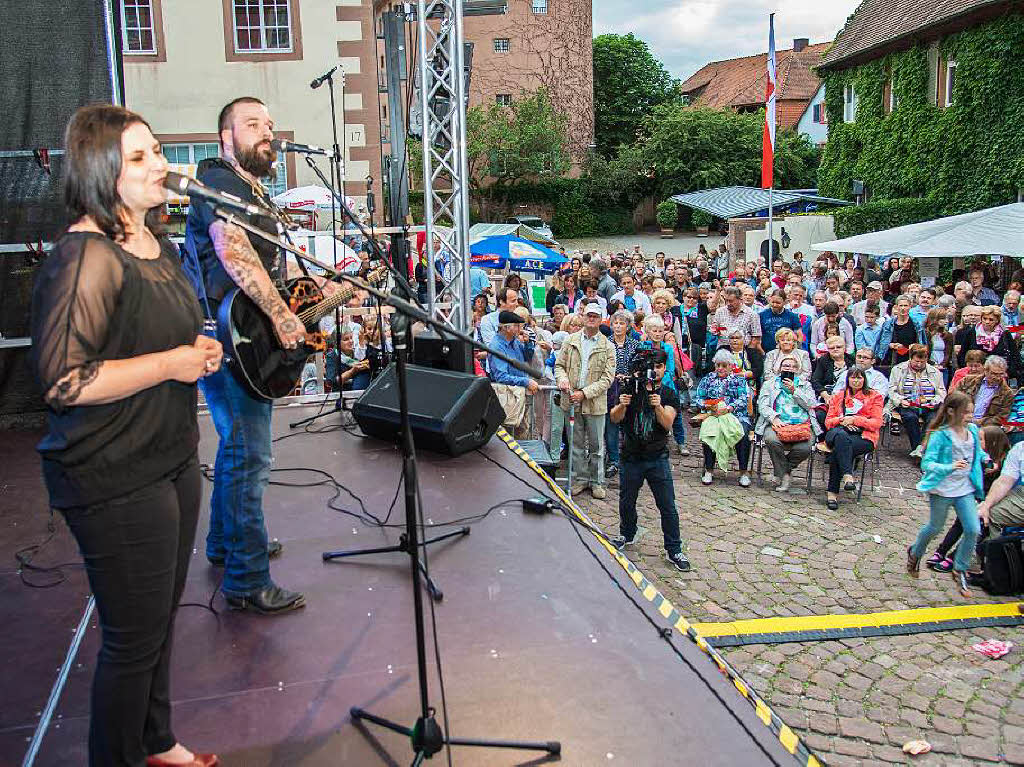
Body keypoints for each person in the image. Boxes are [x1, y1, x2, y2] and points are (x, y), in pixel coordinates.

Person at [31, 105, 221, 766]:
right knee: (131, 637)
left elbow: (157, 333)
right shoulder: (85, 255)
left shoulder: (158, 245)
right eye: (137, 158)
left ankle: (156, 738)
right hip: (111, 471)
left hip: (167, 455)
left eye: (156, 150)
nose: (159, 165)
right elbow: (63, 381)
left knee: (157, 621)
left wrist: (195, 349)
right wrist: (171, 364)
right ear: (100, 171)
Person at [184, 97, 308, 614]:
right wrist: (283, 317)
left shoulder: (248, 188)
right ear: (225, 138)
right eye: (252, 124)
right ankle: (247, 578)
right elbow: (231, 248)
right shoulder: (221, 178)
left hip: (230, 335)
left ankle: (226, 544)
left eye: (270, 125)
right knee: (250, 455)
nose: (267, 133)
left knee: (237, 448)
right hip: (232, 340)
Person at [608, 349, 691, 571]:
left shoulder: (668, 393)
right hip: (631, 456)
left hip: (657, 457)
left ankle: (674, 549)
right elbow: (615, 419)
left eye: (658, 367)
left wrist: (657, 406)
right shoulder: (629, 388)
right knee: (627, 501)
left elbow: (667, 424)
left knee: (667, 506)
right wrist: (622, 404)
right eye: (650, 367)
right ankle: (627, 534)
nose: (653, 371)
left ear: (664, 369)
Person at [906, 391, 985, 597]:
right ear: (951, 412)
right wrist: (949, 466)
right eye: (966, 412)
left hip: (965, 487)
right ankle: (915, 552)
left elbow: (976, 452)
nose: (970, 416)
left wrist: (986, 459)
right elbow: (927, 463)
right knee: (935, 527)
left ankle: (960, 568)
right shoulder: (940, 435)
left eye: (971, 412)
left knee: (973, 528)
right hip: (942, 488)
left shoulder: (973, 431)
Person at [925, 425, 1009, 573]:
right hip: (973, 499)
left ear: (992, 443)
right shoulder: (979, 459)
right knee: (958, 524)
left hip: (988, 506)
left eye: (981, 439)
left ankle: (954, 557)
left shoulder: (1003, 467)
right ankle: (941, 551)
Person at [555, 304, 615, 499]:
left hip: (595, 403)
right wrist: (562, 379)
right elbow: (559, 366)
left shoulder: (608, 346)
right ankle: (580, 479)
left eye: (595, 316)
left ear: (600, 320)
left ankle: (597, 482)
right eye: (588, 315)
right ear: (583, 317)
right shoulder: (570, 340)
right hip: (570, 400)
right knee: (576, 443)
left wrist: (585, 393)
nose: (591, 319)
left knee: (597, 445)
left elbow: (607, 379)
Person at [823, 366, 884, 510]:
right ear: (848, 379)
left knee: (839, 448)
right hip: (838, 430)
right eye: (853, 377)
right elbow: (828, 422)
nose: (856, 381)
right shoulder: (839, 395)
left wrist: (855, 420)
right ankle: (847, 475)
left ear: (864, 379)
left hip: (863, 436)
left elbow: (876, 423)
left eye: (859, 377)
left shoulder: (875, 396)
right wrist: (842, 419)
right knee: (841, 437)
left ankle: (832, 493)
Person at [756, 356, 820, 491]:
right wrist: (774, 418)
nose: (789, 368)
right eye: (786, 366)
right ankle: (785, 476)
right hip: (777, 422)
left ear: (797, 370)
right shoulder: (769, 384)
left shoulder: (805, 385)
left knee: (805, 448)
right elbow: (762, 405)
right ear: (779, 368)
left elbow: (811, 405)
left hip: (801, 424)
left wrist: (795, 391)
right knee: (771, 440)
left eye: (792, 366)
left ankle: (782, 472)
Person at [695, 349, 752, 487]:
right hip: (713, 415)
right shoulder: (708, 378)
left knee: (742, 435)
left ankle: (743, 472)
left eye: (724, 366)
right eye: (717, 365)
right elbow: (699, 398)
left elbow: (744, 398)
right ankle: (709, 470)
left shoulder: (739, 380)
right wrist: (708, 406)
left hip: (736, 415)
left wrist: (729, 408)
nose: (720, 368)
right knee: (709, 431)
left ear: (731, 366)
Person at [888, 344, 947, 457]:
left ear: (926, 359)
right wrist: (900, 400)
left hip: (929, 405)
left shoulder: (935, 372)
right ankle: (918, 449)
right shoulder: (898, 369)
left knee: (933, 419)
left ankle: (921, 450)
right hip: (907, 404)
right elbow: (891, 390)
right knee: (910, 418)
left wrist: (934, 401)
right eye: (916, 361)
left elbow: (942, 392)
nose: (919, 364)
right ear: (910, 358)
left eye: (922, 362)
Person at [606, 310, 640, 476]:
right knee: (611, 424)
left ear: (628, 326)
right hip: (610, 389)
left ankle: (629, 457)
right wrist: (612, 376)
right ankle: (613, 459)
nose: (618, 326)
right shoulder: (605, 343)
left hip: (629, 388)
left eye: (621, 323)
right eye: (615, 323)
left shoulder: (635, 344)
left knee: (629, 424)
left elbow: (639, 367)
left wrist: (629, 376)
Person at [957, 305, 1022, 381]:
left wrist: (1009, 372)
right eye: (985, 318)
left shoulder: (1005, 334)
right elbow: (962, 354)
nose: (987, 322)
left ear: (997, 320)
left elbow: (1015, 355)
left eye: (991, 319)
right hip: (975, 375)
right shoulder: (972, 332)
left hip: (999, 375)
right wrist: (969, 370)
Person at [958, 355, 1015, 426]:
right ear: (986, 371)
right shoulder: (967, 381)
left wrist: (979, 422)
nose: (997, 378)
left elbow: (1001, 418)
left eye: (1001, 374)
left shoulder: (1007, 393)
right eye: (994, 374)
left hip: (984, 428)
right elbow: (953, 400)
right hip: (960, 421)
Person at [875, 294, 925, 370]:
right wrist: (890, 345)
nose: (903, 308)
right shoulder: (888, 324)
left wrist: (914, 346)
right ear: (896, 307)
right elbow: (881, 343)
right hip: (891, 359)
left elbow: (922, 343)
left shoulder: (916, 324)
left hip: (911, 359)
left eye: (905, 306)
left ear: (910, 307)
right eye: (901, 305)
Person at [759, 289, 803, 353]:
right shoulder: (762, 315)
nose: (775, 305)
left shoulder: (792, 316)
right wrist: (761, 352)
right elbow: (758, 337)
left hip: (787, 352)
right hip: (766, 351)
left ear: (785, 302)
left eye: (778, 303)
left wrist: (796, 350)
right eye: (773, 302)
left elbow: (799, 335)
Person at [925, 306, 955, 386]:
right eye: (943, 319)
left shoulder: (948, 335)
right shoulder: (925, 334)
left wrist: (942, 365)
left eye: (947, 319)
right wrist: (932, 364)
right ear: (935, 319)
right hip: (927, 368)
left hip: (942, 368)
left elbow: (948, 353)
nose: (946, 321)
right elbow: (924, 352)